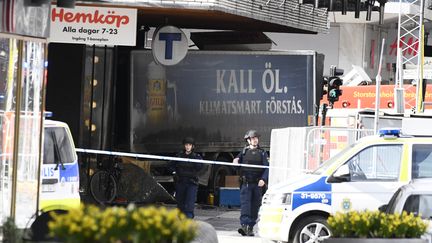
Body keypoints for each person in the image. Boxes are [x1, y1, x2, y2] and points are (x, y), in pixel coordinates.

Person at [233, 130, 269, 237]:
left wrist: (264, 179)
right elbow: (236, 165)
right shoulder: (243, 152)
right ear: (248, 140)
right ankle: (245, 226)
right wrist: (235, 161)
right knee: (246, 205)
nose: (255, 140)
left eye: (256, 138)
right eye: (253, 138)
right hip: (246, 183)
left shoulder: (262, 153)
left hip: (257, 184)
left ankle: (251, 227)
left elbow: (266, 168)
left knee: (255, 206)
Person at [170, 137, 203, 218]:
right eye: (186, 145)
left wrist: (195, 161)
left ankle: (188, 221)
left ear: (193, 146)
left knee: (189, 204)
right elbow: (170, 165)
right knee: (180, 204)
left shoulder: (196, 157)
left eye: (190, 145)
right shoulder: (179, 156)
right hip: (181, 182)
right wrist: (174, 172)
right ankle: (181, 221)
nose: (188, 147)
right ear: (184, 146)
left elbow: (200, 167)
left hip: (191, 183)